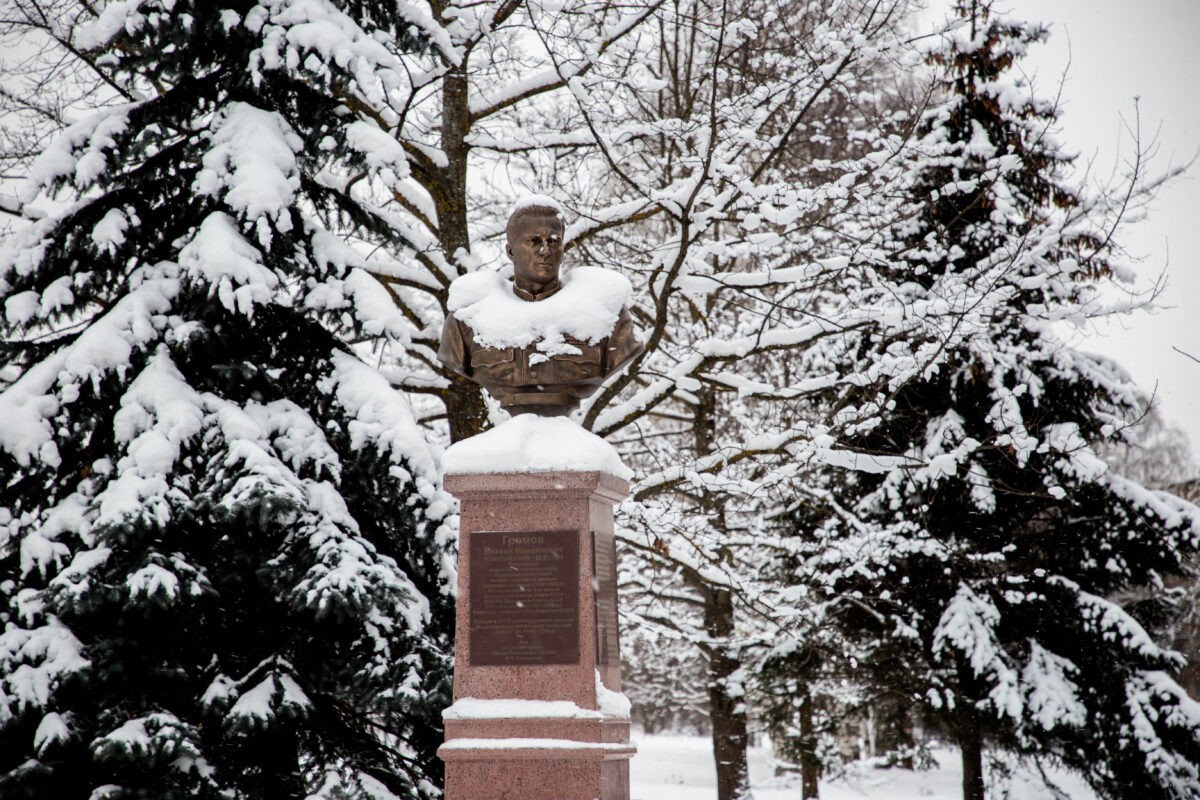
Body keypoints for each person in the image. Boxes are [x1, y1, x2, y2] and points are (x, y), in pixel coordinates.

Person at [438, 198, 643, 417]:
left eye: (553, 242)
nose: (545, 251)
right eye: (534, 241)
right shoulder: (467, 319)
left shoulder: (607, 314)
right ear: (511, 251)